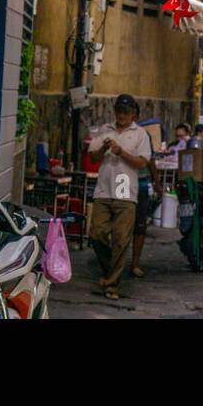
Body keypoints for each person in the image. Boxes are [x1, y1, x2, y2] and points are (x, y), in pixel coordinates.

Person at [87, 94, 151, 299]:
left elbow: (142, 163)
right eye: (118, 111)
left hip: (125, 192)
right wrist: (104, 148)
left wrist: (121, 152)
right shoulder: (104, 130)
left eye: (125, 111)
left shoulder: (140, 134)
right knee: (96, 234)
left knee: (121, 240)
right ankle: (110, 271)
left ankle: (112, 284)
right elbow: (92, 157)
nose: (121, 115)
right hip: (104, 190)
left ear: (133, 113)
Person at [130, 104, 159, 279]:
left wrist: (157, 182)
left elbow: (151, 160)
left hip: (140, 184)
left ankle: (135, 263)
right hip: (123, 184)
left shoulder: (143, 136)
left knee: (139, 226)